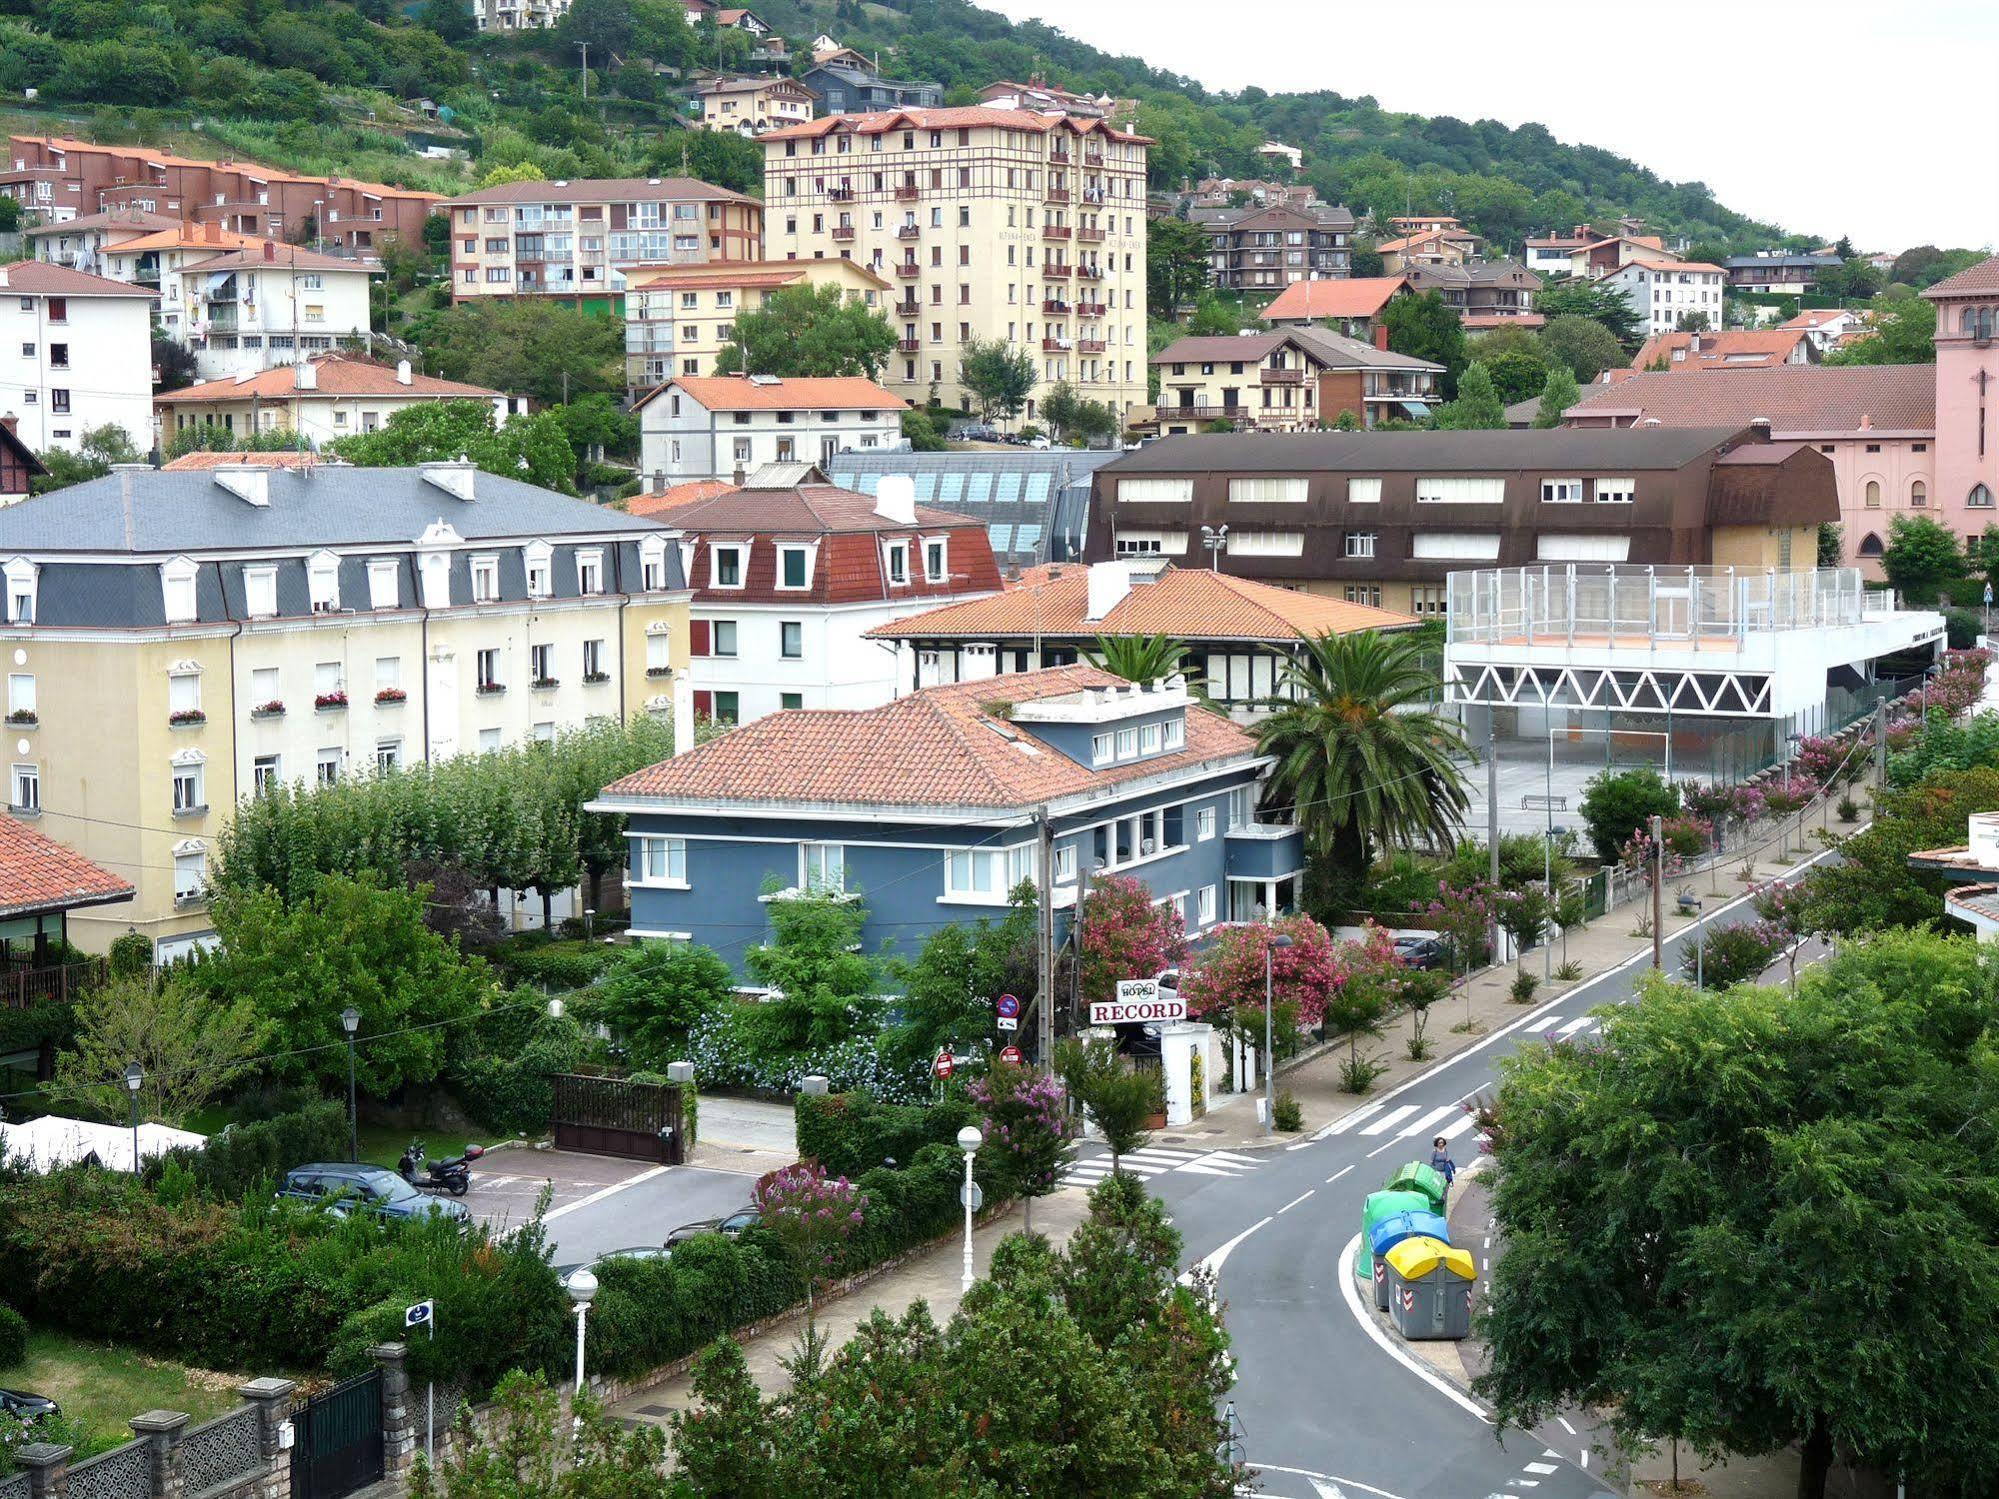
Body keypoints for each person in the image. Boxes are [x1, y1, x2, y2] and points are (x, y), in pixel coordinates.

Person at [1430, 1135, 1457, 1200]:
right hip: (1437, 1170)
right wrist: (1433, 1169)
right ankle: (1440, 1196)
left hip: (1444, 1170)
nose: (1441, 1144)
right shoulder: (1434, 1151)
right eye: (1439, 1143)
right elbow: (1431, 1161)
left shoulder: (1445, 1150)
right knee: (1439, 1183)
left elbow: (1447, 1159)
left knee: (1445, 1183)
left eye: (1442, 1142)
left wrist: (1451, 1166)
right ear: (1437, 1143)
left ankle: (1445, 1196)